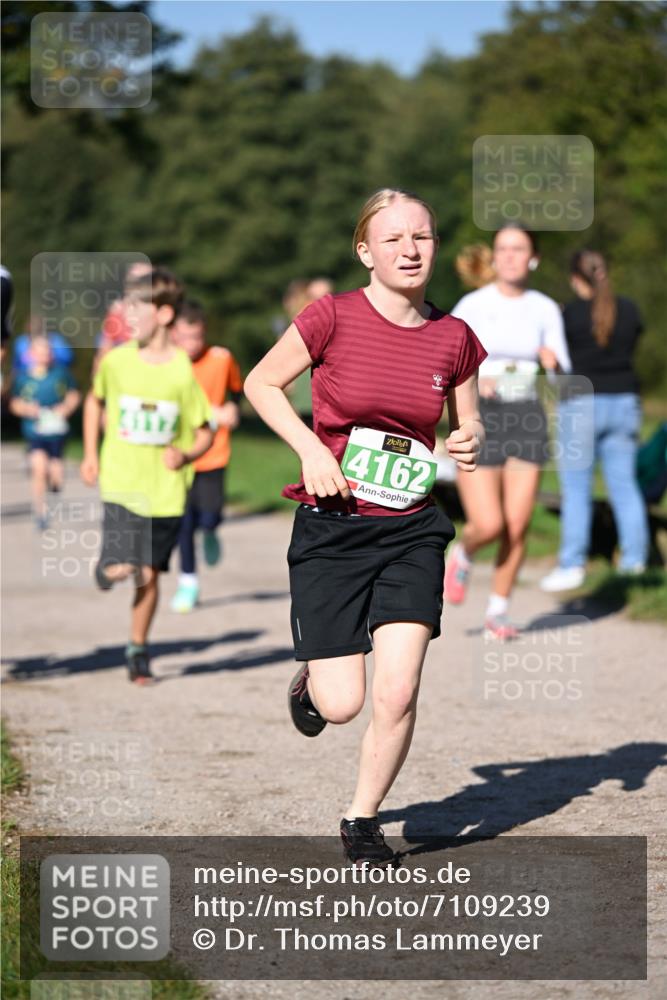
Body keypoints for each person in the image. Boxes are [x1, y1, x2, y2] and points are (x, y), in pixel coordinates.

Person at [244, 188, 487, 865]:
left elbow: (466, 424)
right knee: (343, 701)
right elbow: (260, 385)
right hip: (333, 528)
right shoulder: (330, 317)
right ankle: (309, 681)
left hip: (412, 528)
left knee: (399, 687)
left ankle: (361, 818)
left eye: (423, 237)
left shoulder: (455, 337)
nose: (410, 250)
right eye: (393, 240)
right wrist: (312, 450)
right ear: (365, 252)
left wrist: (468, 442)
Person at [80, 269, 213, 684]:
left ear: (164, 313)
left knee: (149, 574)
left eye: (138, 307)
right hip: (121, 480)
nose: (128, 313)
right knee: (127, 564)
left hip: (167, 491)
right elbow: (93, 402)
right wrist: (89, 454)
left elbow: (205, 431)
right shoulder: (116, 361)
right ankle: (108, 565)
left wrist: (186, 452)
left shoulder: (181, 371)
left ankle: (138, 648)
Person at [444, 224, 571, 639]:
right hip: (481, 415)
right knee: (490, 522)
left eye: (519, 249)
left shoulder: (545, 308)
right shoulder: (472, 305)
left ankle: (497, 613)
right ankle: (463, 552)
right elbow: (447, 365)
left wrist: (553, 366)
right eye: (503, 249)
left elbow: (563, 381)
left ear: (532, 257)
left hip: (527, 415)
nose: (511, 256)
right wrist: (475, 382)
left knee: (517, 525)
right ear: (494, 258)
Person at [540, 250, 649, 591]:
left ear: (575, 278)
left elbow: (558, 365)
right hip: (624, 403)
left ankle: (572, 564)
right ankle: (635, 563)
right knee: (625, 488)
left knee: (575, 490)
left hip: (580, 403)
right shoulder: (629, 309)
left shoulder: (566, 314)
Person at [169, 300, 243, 612]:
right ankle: (188, 582)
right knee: (183, 522)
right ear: (173, 334)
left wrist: (232, 408)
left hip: (214, 452)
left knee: (210, 514)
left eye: (197, 337)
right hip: (179, 454)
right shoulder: (166, 363)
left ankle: (211, 531)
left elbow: (237, 390)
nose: (191, 344)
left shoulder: (221, 358)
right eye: (185, 337)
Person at [9, 334, 80, 530]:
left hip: (56, 432)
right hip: (35, 433)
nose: (43, 355)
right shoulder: (23, 378)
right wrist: (26, 409)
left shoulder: (61, 374)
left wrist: (65, 408)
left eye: (47, 351)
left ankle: (55, 486)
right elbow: (14, 403)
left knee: (56, 472)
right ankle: (40, 512)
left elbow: (74, 394)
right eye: (39, 351)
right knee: (38, 469)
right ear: (30, 354)